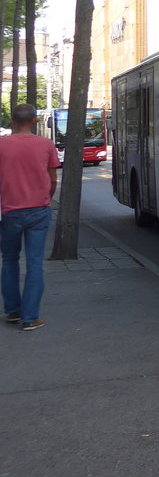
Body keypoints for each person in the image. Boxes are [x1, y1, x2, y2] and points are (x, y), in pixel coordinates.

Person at [0, 103, 61, 331]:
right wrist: (46, 197)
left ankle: (13, 310)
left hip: (9, 211)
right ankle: (30, 317)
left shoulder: (1, 145)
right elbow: (53, 178)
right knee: (35, 263)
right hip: (38, 209)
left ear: (12, 122)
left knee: (9, 260)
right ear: (34, 121)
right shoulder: (46, 145)